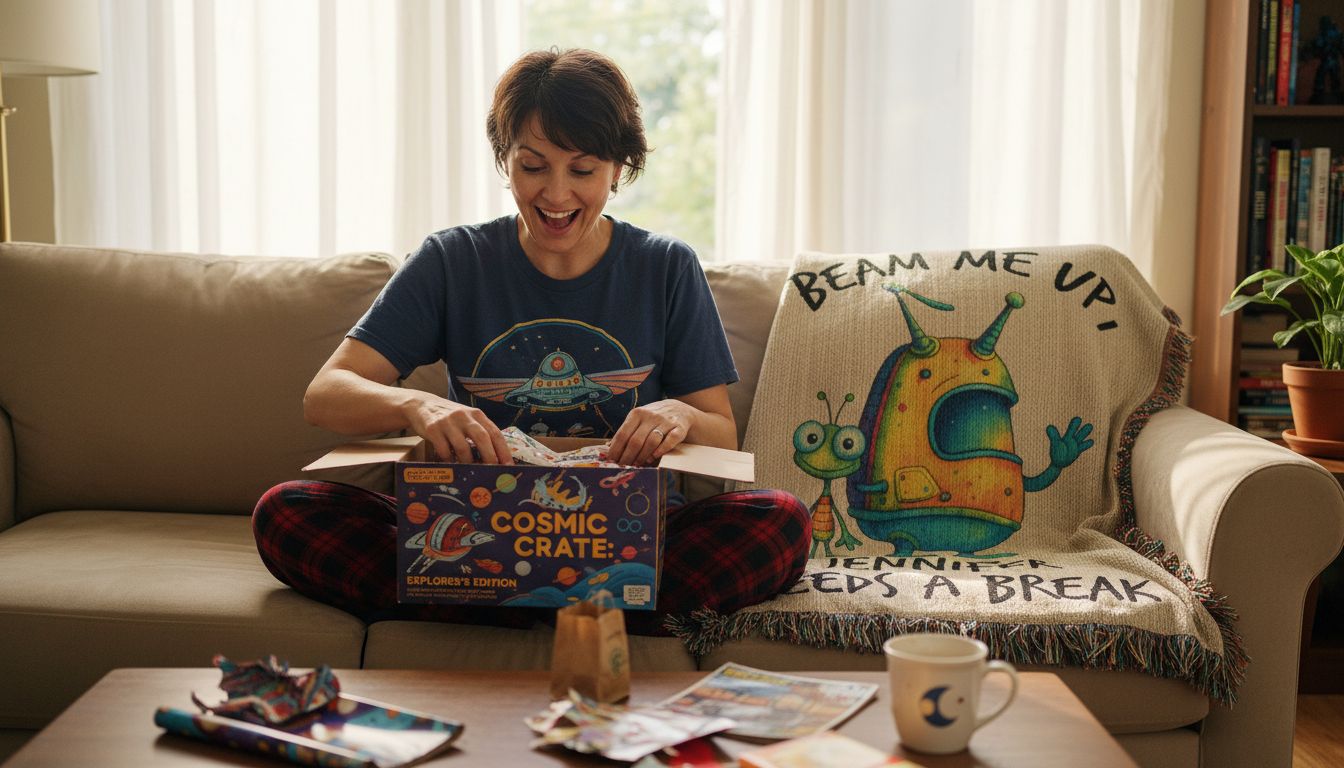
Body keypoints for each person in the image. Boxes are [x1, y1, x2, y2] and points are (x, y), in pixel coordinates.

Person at [252, 48, 810, 634]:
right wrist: (418, 405)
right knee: (286, 514)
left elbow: (720, 433)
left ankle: (486, 602)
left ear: (618, 169)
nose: (557, 194)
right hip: (473, 528)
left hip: (626, 532)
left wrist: (677, 414)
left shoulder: (665, 266)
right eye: (534, 166)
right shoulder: (453, 260)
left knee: (781, 523)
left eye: (583, 169)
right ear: (506, 161)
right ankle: (585, 610)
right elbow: (326, 394)